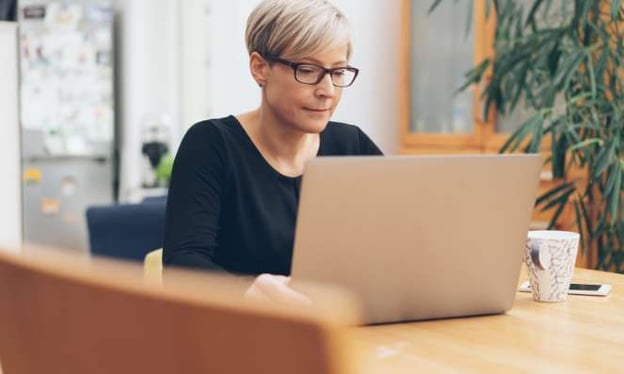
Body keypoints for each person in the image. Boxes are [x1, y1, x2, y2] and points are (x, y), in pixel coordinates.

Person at [163, 0, 382, 303]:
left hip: (338, 328)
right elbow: (181, 265)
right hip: (244, 332)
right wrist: (248, 290)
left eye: (338, 72)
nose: (327, 90)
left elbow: (402, 240)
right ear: (260, 68)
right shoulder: (211, 144)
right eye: (308, 70)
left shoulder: (352, 146)